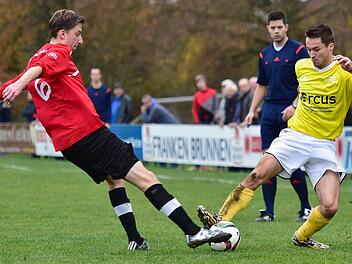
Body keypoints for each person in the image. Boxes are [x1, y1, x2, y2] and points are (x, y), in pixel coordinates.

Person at [0, 9, 230, 251]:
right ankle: (193, 232)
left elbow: (28, 74)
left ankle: (135, 239)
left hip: (69, 145)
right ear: (62, 33)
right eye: (77, 34)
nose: (80, 40)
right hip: (89, 134)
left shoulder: (35, 58)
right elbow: (41, 69)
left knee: (114, 179)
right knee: (146, 178)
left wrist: (14, 85)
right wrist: (18, 86)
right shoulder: (58, 52)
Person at [198, 23, 352, 249]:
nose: (312, 54)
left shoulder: (345, 75)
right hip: (296, 136)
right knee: (256, 174)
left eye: (317, 49)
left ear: (331, 47)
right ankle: (218, 222)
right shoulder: (302, 66)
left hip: (324, 145)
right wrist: (294, 104)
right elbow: (302, 91)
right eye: (309, 49)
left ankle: (301, 237)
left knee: (330, 206)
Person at [241, 11, 313, 222]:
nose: (276, 31)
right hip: (270, 112)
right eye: (272, 28)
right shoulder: (264, 54)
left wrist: (294, 105)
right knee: (265, 160)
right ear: (268, 29)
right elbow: (261, 85)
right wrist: (252, 110)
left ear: (286, 27)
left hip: (291, 111)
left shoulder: (299, 50)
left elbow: (307, 82)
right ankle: (269, 211)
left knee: (291, 162)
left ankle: (306, 208)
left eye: (279, 27)